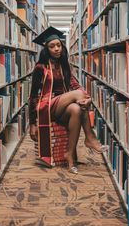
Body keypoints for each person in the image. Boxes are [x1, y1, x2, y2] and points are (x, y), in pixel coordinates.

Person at [29, 26, 107, 174]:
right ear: (46, 49)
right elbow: (33, 95)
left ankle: (69, 155)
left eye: (59, 45)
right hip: (46, 105)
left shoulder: (64, 65)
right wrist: (32, 123)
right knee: (78, 95)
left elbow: (74, 84)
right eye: (52, 46)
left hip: (62, 106)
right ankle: (90, 137)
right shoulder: (40, 68)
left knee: (77, 109)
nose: (57, 49)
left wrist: (87, 97)